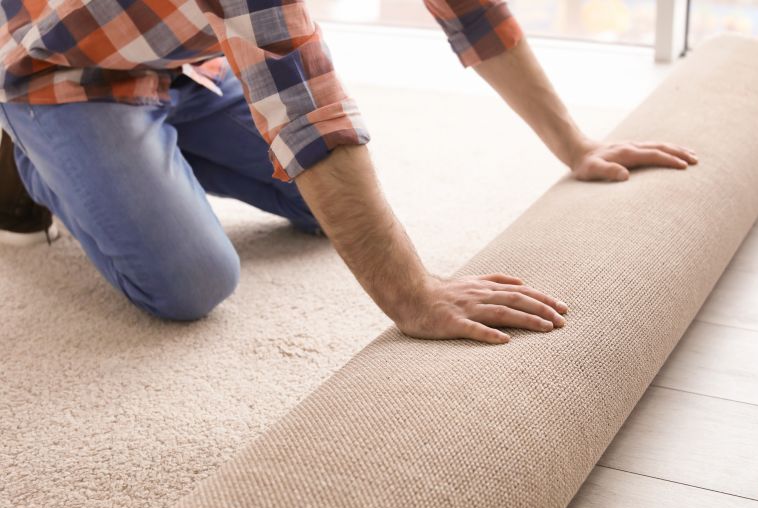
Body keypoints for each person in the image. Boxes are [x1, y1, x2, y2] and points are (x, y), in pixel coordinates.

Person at [0, 1, 696, 344]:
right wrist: (413, 295)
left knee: (321, 207)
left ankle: (143, 156)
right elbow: (308, 115)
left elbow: (474, 13)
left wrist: (577, 145)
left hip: (186, 61)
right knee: (192, 282)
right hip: (62, 72)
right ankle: (30, 160)